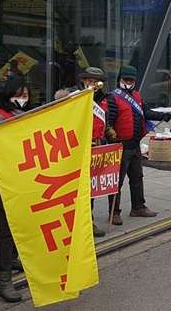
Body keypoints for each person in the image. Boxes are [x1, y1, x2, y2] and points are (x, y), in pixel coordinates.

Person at [0, 79, 33, 303]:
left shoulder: (20, 115)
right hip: (3, 183)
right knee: (7, 232)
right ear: (8, 95)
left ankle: (12, 260)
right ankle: (3, 281)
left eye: (26, 95)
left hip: (20, 180)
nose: (23, 99)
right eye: (19, 95)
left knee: (18, 225)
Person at [54, 67, 118, 238]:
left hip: (98, 146)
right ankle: (80, 222)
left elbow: (104, 123)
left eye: (96, 81)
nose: (92, 83)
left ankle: (88, 220)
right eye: (89, 80)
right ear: (83, 81)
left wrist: (113, 138)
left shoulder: (103, 99)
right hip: (80, 147)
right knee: (78, 188)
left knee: (92, 188)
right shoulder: (75, 97)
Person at [106, 65, 171, 225]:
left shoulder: (136, 96)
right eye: (126, 79)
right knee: (117, 182)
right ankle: (114, 213)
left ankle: (138, 207)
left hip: (135, 145)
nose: (128, 82)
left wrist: (162, 116)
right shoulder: (112, 98)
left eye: (131, 80)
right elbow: (109, 123)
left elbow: (147, 112)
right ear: (119, 79)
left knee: (137, 178)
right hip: (120, 146)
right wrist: (113, 142)